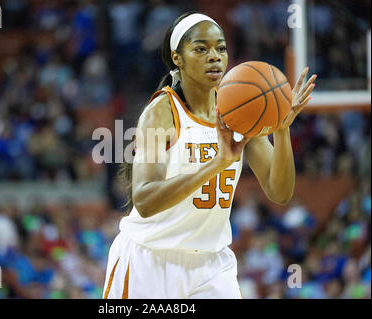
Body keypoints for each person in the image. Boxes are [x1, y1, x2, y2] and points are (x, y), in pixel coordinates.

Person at [102, 12, 316, 299]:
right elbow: (144, 199)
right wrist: (217, 164)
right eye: (201, 49)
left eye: (221, 48)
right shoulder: (161, 112)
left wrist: (281, 130)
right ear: (178, 58)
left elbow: (280, 192)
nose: (215, 56)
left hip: (212, 265)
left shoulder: (241, 110)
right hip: (150, 260)